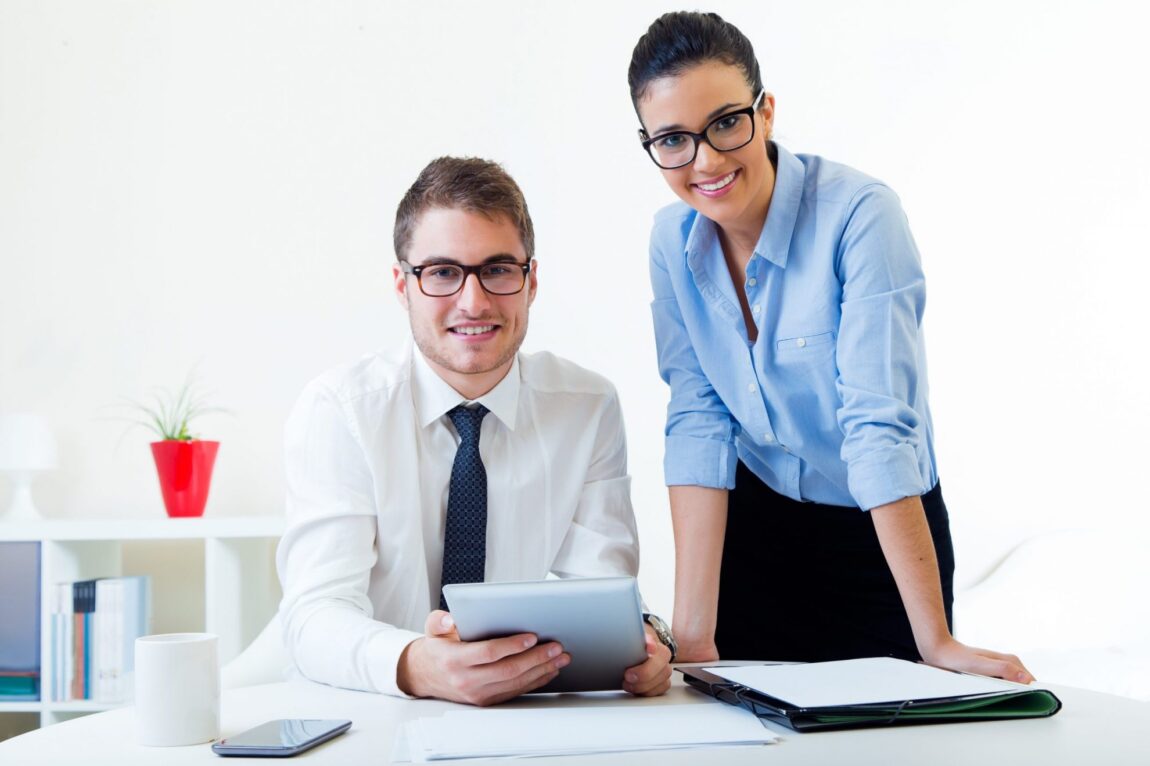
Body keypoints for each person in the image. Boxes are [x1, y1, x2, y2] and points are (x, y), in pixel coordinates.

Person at [627, 11, 1033, 682]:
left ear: (766, 111)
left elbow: (877, 427)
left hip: (875, 538)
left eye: (726, 122)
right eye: (673, 139)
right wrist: (692, 635)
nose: (705, 160)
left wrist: (935, 640)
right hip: (753, 540)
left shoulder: (860, 217)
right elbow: (699, 420)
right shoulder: (671, 242)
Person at [276, 156, 673, 705]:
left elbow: (599, 593)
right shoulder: (341, 412)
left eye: (497, 269)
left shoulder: (588, 407)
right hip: (373, 714)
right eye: (442, 272)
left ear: (531, 281)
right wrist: (416, 664)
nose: (474, 301)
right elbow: (313, 615)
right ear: (402, 285)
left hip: (534, 720)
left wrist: (642, 646)